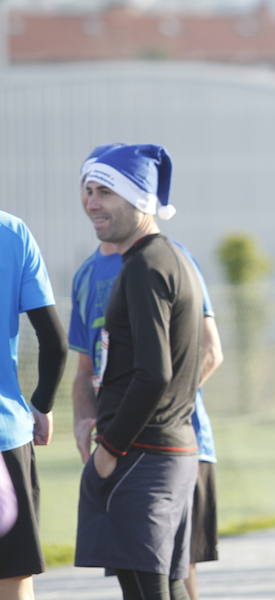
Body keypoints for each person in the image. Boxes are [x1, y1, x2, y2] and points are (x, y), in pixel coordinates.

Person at [69, 145, 224, 600]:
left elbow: (155, 373)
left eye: (105, 192)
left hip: (142, 454)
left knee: (146, 590)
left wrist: (110, 447)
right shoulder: (171, 260)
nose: (91, 203)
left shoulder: (144, 266)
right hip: (167, 452)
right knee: (170, 588)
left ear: (139, 199)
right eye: (88, 190)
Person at [0, 211, 66, 600]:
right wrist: (41, 404)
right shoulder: (12, 231)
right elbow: (54, 341)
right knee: (13, 573)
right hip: (6, 435)